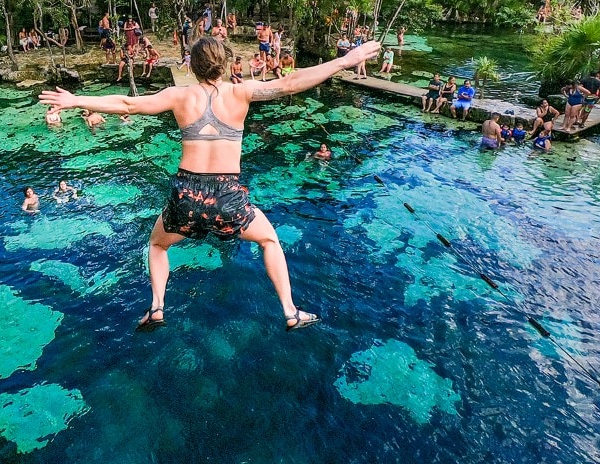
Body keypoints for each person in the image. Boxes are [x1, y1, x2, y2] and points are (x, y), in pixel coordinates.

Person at [39, 36, 381, 332]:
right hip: (226, 193)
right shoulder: (242, 92)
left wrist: (75, 101)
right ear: (226, 64)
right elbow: (293, 82)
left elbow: (128, 103)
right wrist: (346, 60)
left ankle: (157, 306)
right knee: (269, 240)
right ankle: (291, 312)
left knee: (158, 246)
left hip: (187, 192)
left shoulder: (179, 96)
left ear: (193, 67)